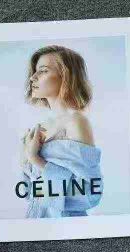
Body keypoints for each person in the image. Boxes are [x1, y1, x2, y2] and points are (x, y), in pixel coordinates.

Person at [20, 45, 103, 218]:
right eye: (35, 71)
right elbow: (29, 194)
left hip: (66, 223)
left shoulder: (76, 122)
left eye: (43, 71)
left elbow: (91, 193)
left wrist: (35, 159)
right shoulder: (41, 126)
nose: (33, 78)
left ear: (66, 76)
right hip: (35, 220)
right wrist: (25, 158)